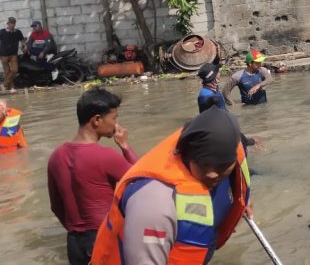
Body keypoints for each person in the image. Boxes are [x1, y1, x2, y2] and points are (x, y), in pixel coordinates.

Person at [91, 106, 251, 265]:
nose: (213, 174)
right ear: (185, 155)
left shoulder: (231, 151)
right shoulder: (154, 204)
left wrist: (240, 201)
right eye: (204, 165)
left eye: (222, 166)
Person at [47, 88, 138, 265]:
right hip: (103, 237)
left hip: (74, 242)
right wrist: (125, 146)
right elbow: (143, 179)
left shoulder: (56, 156)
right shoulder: (105, 156)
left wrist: (77, 231)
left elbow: (55, 206)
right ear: (97, 120)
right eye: (114, 118)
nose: (116, 124)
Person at [0, 17, 25, 93]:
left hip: (13, 54)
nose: (12, 24)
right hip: (3, 55)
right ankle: (12, 88)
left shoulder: (18, 32)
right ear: (7, 24)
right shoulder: (2, 32)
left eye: (13, 23)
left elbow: (22, 40)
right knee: (7, 72)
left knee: (14, 70)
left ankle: (4, 85)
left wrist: (25, 46)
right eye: (10, 23)